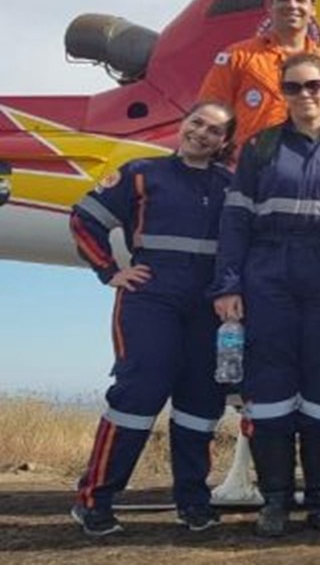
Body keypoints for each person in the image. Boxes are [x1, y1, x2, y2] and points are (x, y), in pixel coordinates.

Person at [211, 53, 320, 537]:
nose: (304, 95)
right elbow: (235, 220)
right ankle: (276, 501)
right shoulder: (261, 147)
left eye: (313, 86)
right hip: (269, 275)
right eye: (292, 88)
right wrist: (228, 284)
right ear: (281, 93)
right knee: (269, 391)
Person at [69, 102, 237, 536]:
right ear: (184, 124)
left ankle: (193, 503)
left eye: (214, 131)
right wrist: (110, 271)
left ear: (224, 143)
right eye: (197, 122)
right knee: (139, 392)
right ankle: (94, 500)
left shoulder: (231, 186)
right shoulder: (141, 172)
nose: (202, 133)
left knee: (202, 403)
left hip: (208, 304)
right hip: (151, 297)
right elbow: (85, 219)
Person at [197, 0, 320, 161]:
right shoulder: (238, 56)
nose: (292, 5)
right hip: (248, 172)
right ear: (271, 6)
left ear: (313, 9)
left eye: (300, 0)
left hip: (307, 172)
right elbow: (210, 114)